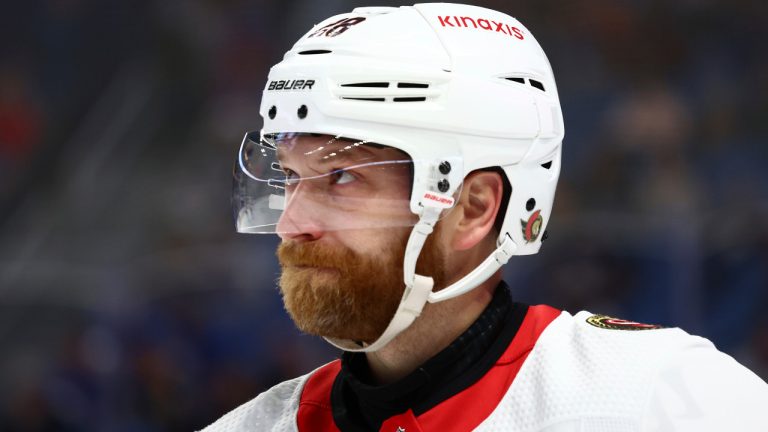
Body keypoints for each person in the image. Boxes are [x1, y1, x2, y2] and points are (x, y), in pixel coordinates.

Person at [204, 3, 768, 431]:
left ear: (474, 209)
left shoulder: (658, 399)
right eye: (290, 176)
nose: (290, 222)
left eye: (342, 177)